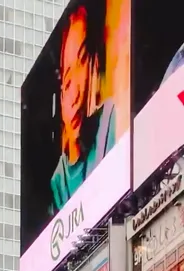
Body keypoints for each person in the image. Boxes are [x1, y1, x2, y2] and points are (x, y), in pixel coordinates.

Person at [50, 4, 116, 212]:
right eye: (69, 80)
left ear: (94, 67)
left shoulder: (111, 122)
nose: (76, 95)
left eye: (84, 61)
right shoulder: (57, 183)